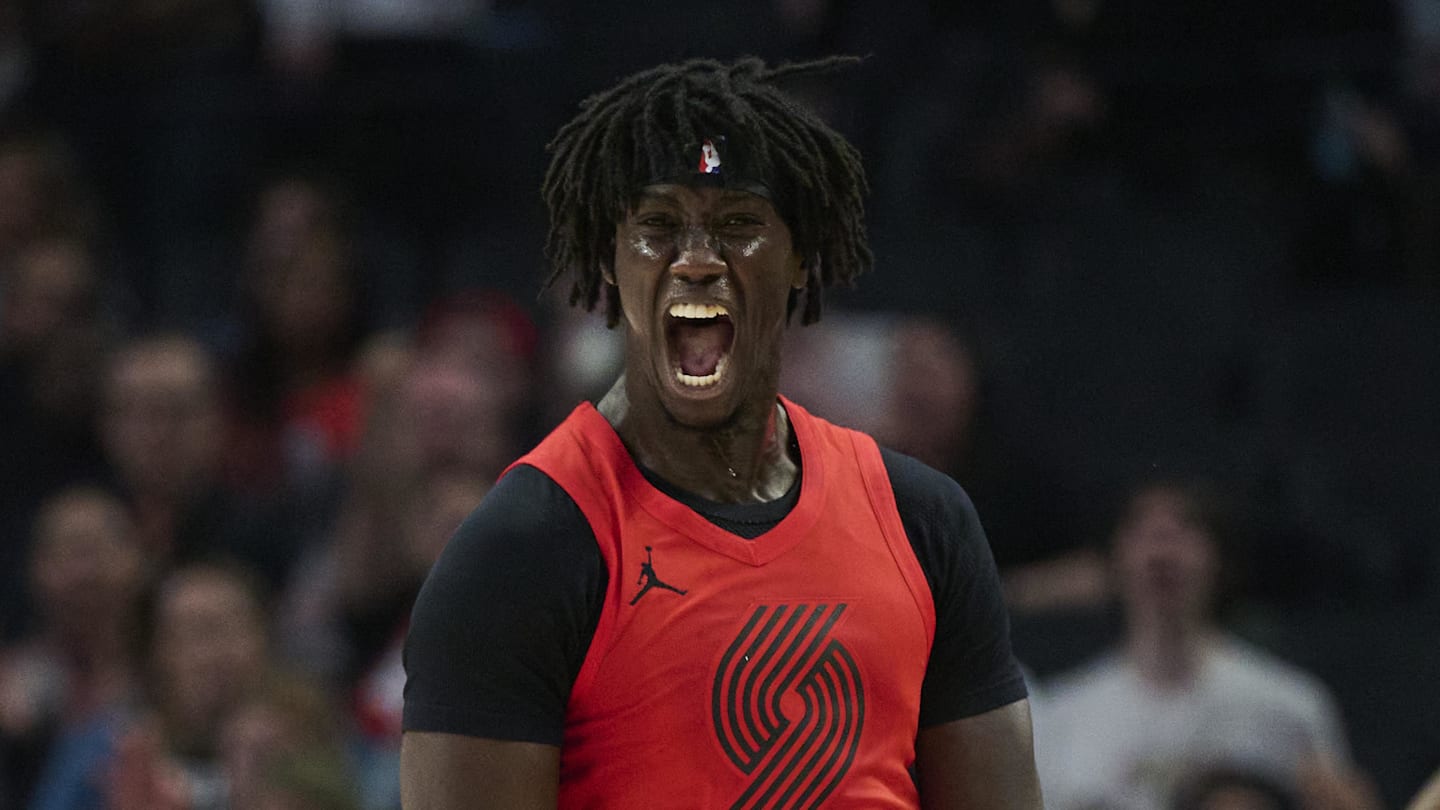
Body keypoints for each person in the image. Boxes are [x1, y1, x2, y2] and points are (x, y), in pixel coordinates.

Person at [400, 56, 1041, 809]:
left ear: (802, 258)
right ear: (608, 260)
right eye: (659, 227)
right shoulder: (521, 549)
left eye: (738, 225)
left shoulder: (922, 520)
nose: (698, 261)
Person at [1036, 478, 1354, 810]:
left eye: (1185, 526)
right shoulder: (1062, 716)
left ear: (1219, 558)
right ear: (1114, 559)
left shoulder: (1289, 707)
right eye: (1141, 529)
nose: (1162, 543)